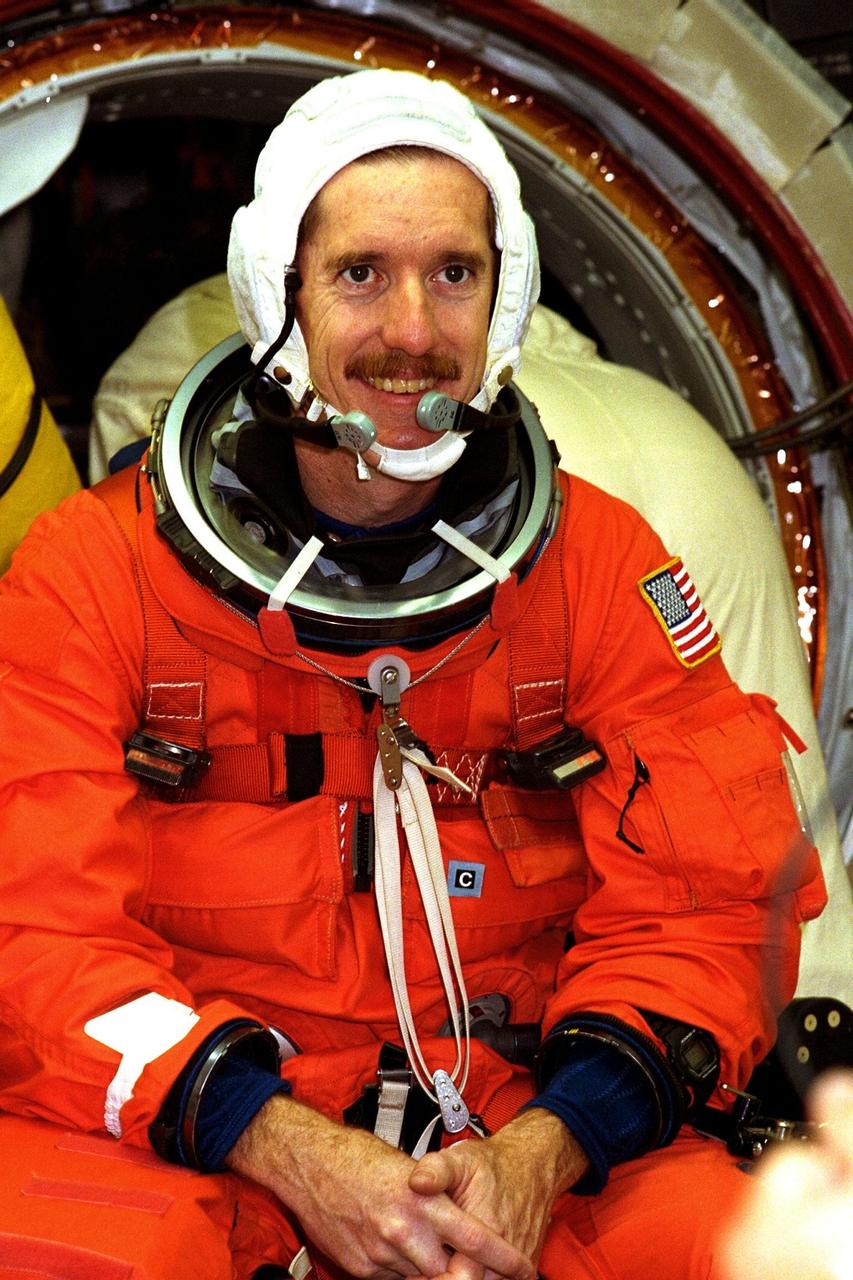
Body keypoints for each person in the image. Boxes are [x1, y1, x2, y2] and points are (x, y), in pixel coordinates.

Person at [0, 69, 827, 1280]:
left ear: (505, 299)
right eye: (358, 275)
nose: (410, 330)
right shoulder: (96, 572)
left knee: (751, 1252)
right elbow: (32, 929)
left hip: (520, 1125)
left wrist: (550, 1143)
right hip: (204, 1139)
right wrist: (275, 1142)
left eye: (453, 273)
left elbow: (709, 899)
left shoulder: (597, 565)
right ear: (274, 296)